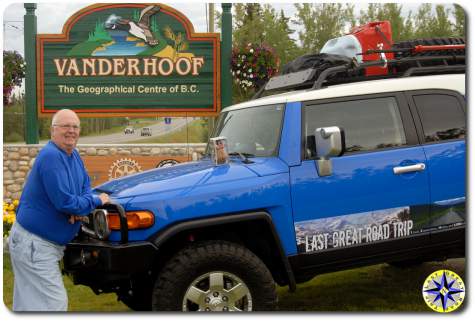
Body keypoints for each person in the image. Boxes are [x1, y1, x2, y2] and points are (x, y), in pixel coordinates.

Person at [8, 109, 110, 311]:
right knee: (53, 304)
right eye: (65, 126)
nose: (71, 131)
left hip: (38, 245)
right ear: (53, 130)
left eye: (75, 126)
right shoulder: (52, 156)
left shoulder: (73, 154)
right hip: (34, 245)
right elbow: (65, 202)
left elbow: (84, 186)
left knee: (30, 306)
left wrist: (79, 206)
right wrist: (97, 200)